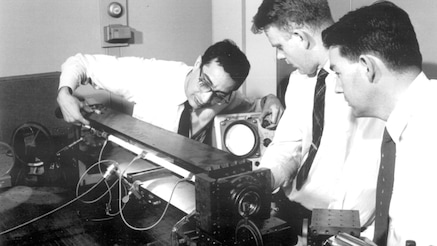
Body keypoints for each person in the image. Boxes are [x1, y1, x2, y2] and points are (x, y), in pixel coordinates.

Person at [251, 0, 385, 238]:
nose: (280, 56)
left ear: (300, 37)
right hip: (290, 209)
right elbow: (287, 146)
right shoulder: (299, 80)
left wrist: (323, 235)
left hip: (334, 226)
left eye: (280, 46)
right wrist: (261, 181)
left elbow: (366, 184)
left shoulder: (360, 80)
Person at [322, 1, 437, 245]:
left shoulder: (429, 135)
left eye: (338, 73)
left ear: (367, 67)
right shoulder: (405, 123)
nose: (337, 88)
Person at [57, 39, 284, 143]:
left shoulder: (227, 98)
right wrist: (64, 94)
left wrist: (271, 100)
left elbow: (255, 105)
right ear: (197, 64)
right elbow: (81, 63)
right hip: (143, 176)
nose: (206, 98)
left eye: (219, 94)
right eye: (205, 82)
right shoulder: (149, 75)